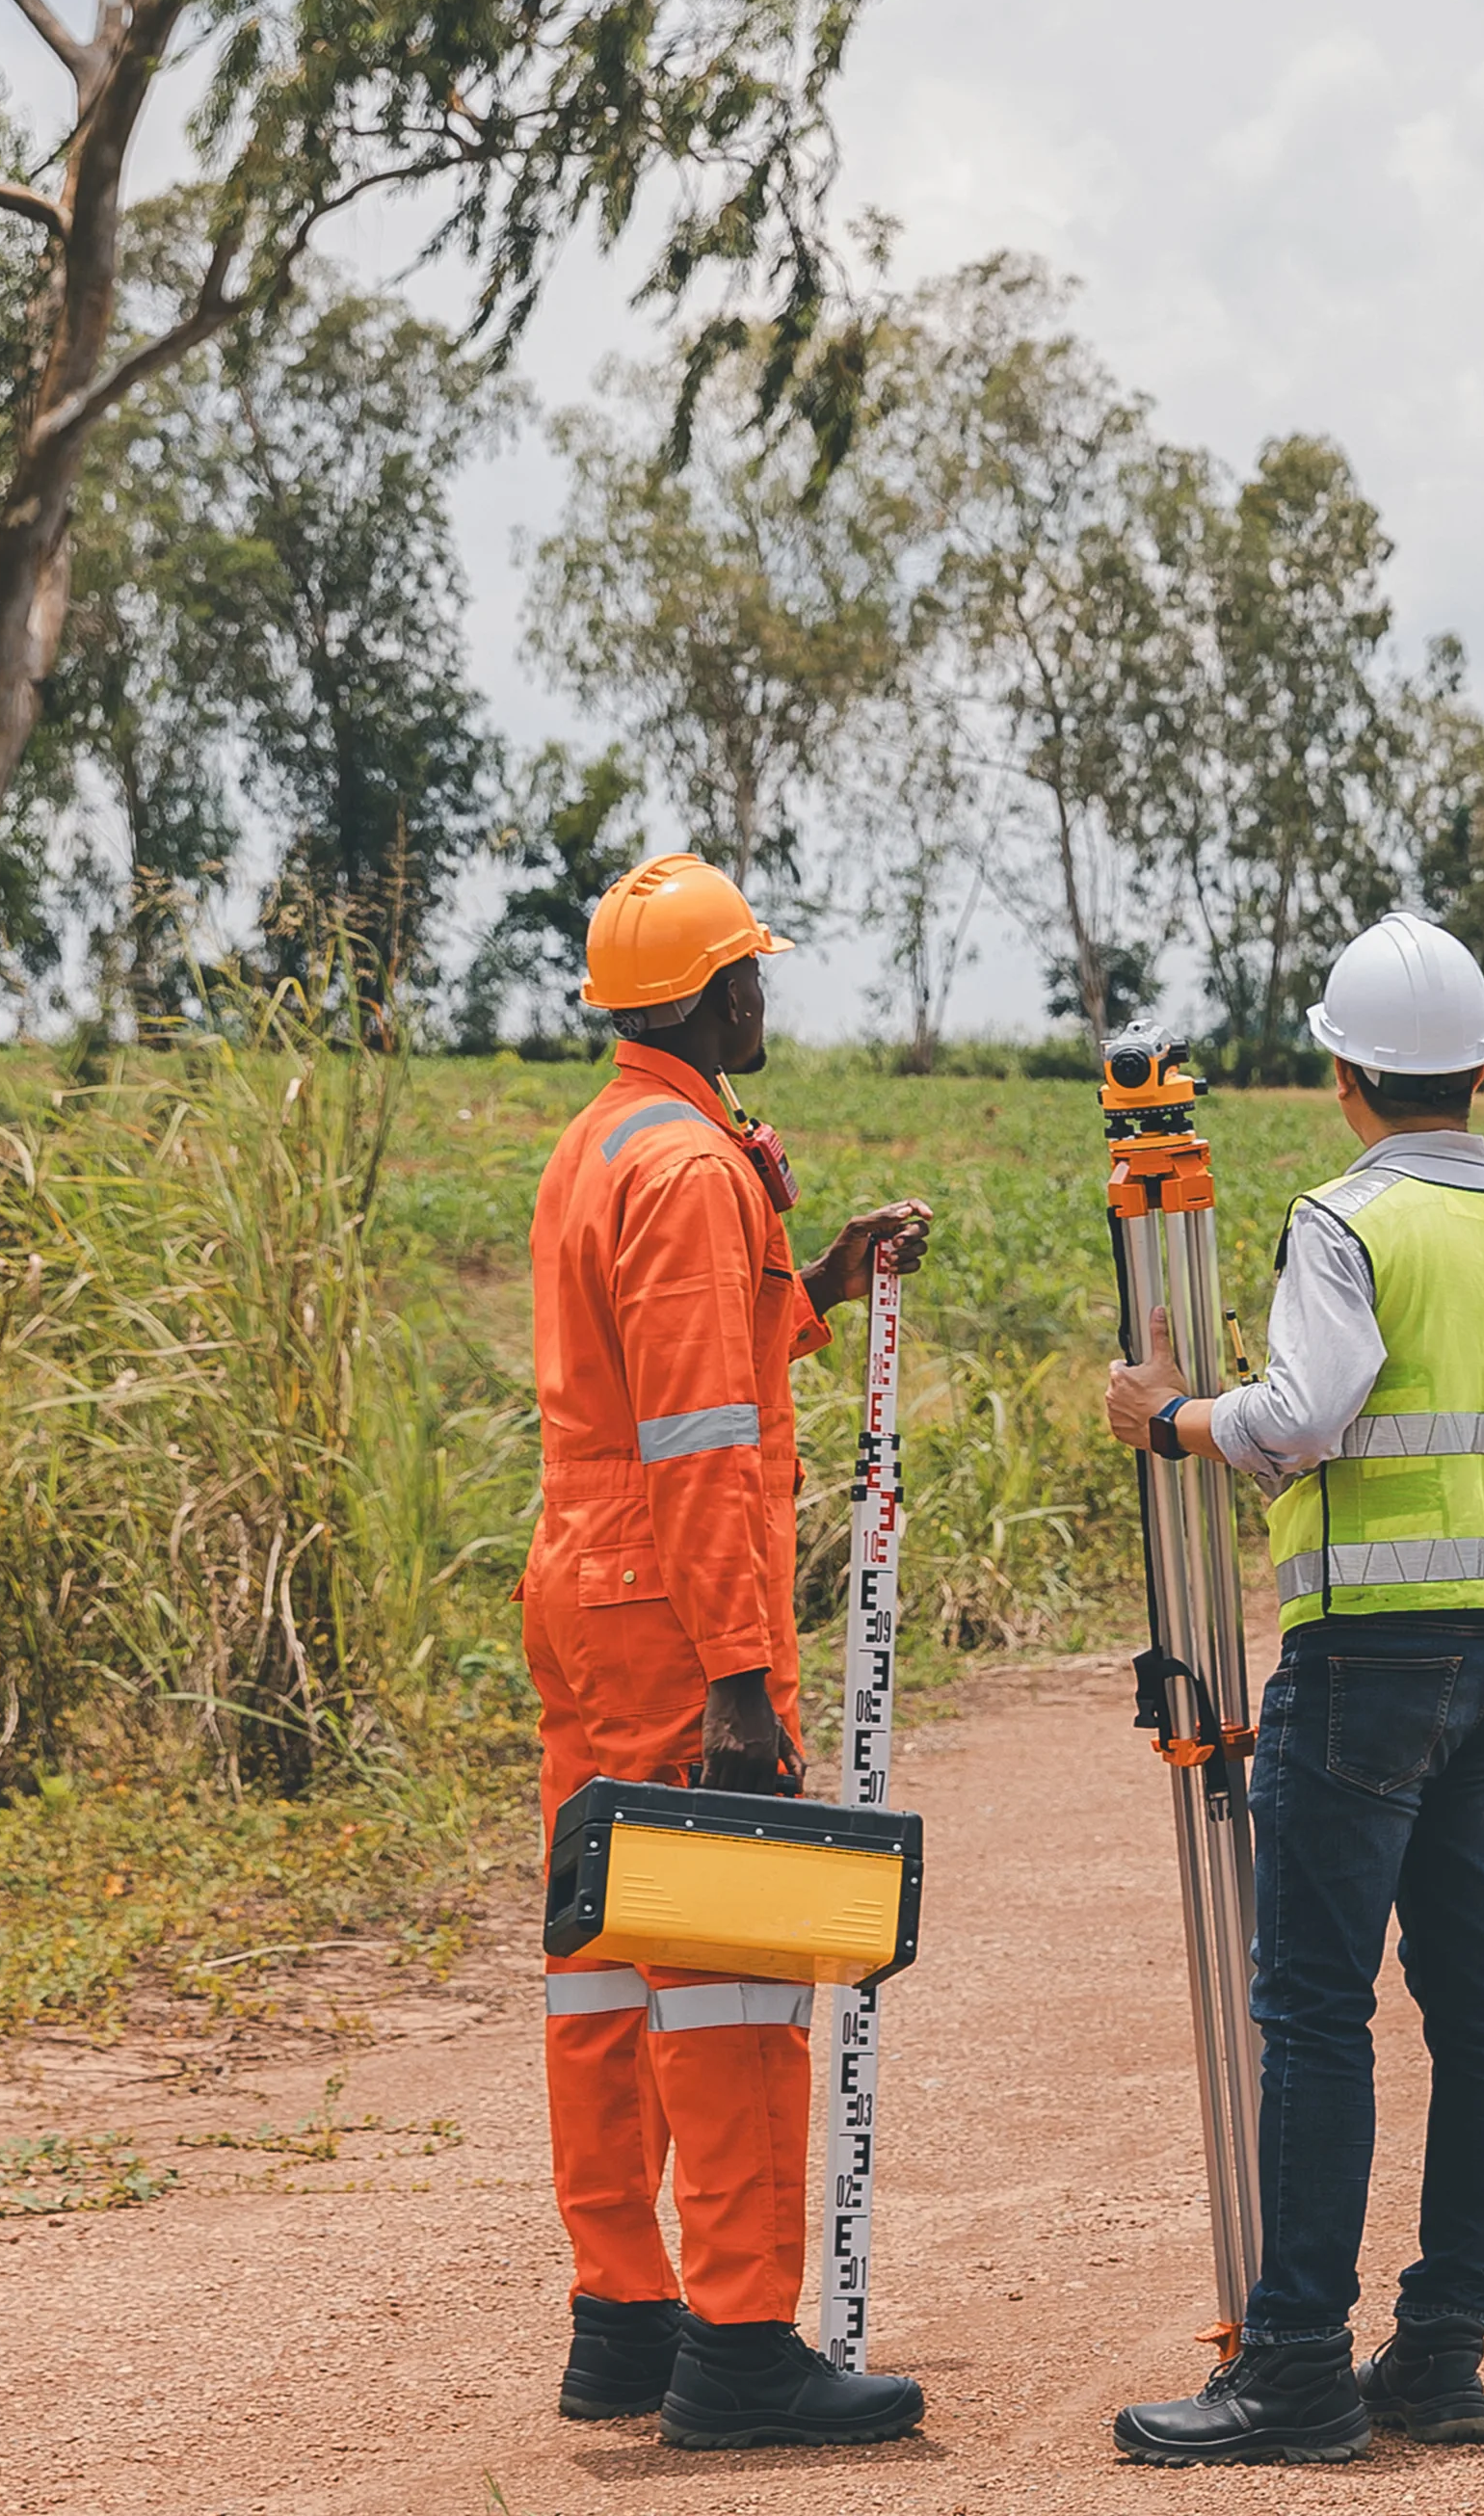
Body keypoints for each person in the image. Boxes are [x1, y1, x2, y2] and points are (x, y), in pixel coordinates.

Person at [1091, 914, 1484, 2466]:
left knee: (1316, 2010)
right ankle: (1443, 2357)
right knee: (1476, 2009)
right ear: (1479, 1073)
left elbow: (1306, 1414)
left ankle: (1298, 2370)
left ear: (1344, 1075)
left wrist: (1173, 1416)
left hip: (1365, 1662)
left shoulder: (1343, 1224)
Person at [531, 854, 939, 2450]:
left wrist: (815, 1281)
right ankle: (747, 2345)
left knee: (605, 1960)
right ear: (715, 997)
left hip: (585, 1585)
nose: (766, 994)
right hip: (674, 1603)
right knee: (733, 1973)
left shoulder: (603, 1141)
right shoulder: (694, 1169)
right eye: (752, 973)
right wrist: (739, 1685)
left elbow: (672, 1367)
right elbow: (702, 1444)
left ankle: (623, 2318)